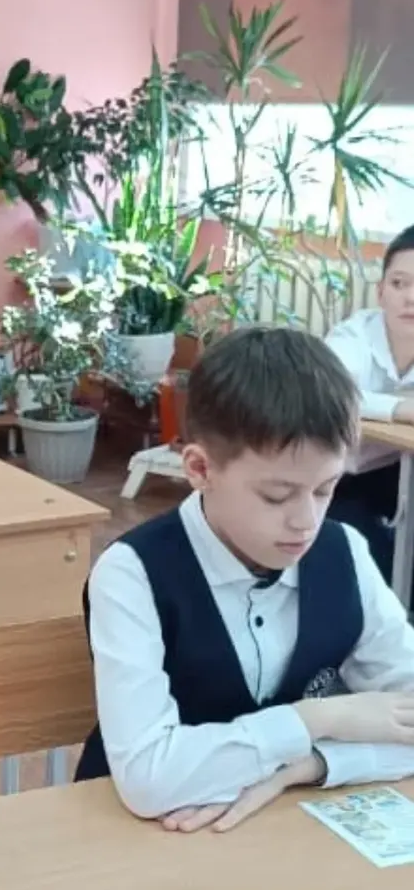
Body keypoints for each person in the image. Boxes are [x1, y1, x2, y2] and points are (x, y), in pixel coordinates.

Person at [78, 327, 414, 832]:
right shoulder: (132, 574)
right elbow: (148, 779)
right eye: (277, 496)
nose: (305, 521)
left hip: (279, 828)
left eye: (325, 489)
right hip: (136, 837)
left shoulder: (344, 550)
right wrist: (319, 719)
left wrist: (313, 764)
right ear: (199, 469)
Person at [324, 224, 414, 578]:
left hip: (398, 473)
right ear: (380, 292)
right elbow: (328, 391)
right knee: (369, 564)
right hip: (337, 478)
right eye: (399, 283)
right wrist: (401, 409)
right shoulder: (354, 336)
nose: (410, 297)